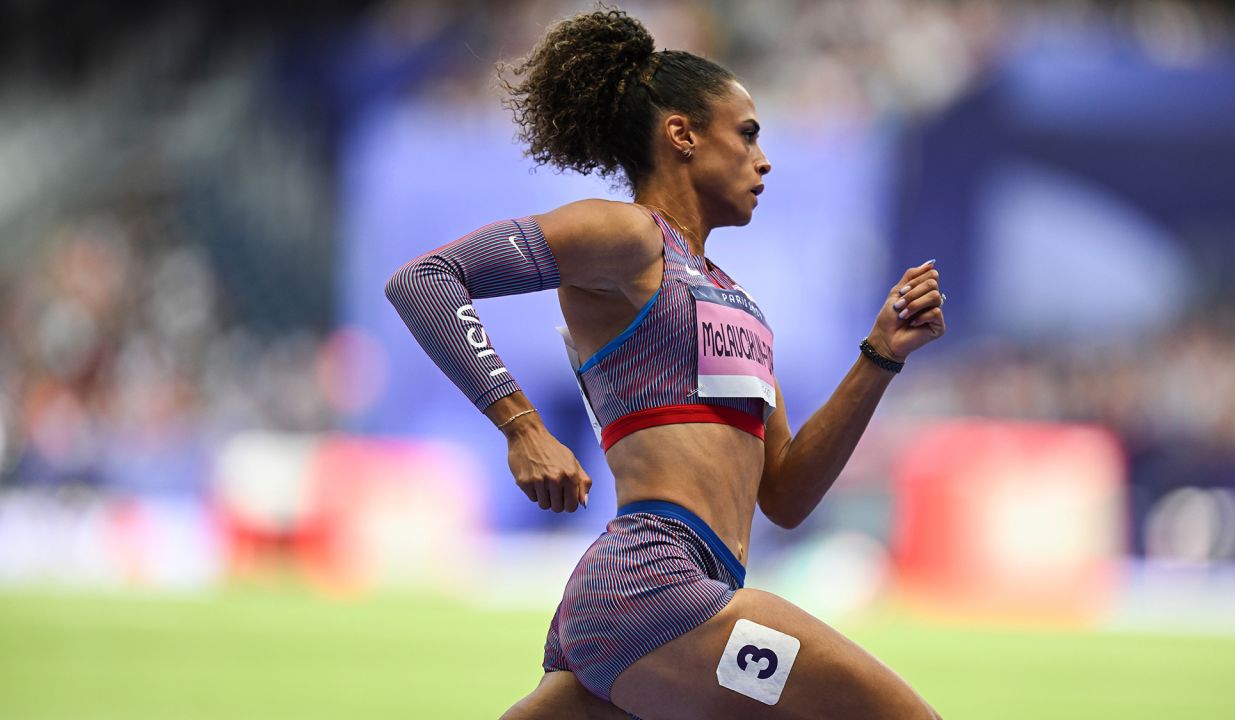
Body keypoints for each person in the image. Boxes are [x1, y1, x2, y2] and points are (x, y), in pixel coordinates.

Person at [384, 7, 946, 719]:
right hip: (659, 589)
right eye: (746, 135)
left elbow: (786, 496)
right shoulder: (627, 238)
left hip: (654, 607)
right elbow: (425, 281)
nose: (763, 159)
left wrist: (879, 357)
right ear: (681, 135)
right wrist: (521, 425)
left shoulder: (739, 306)